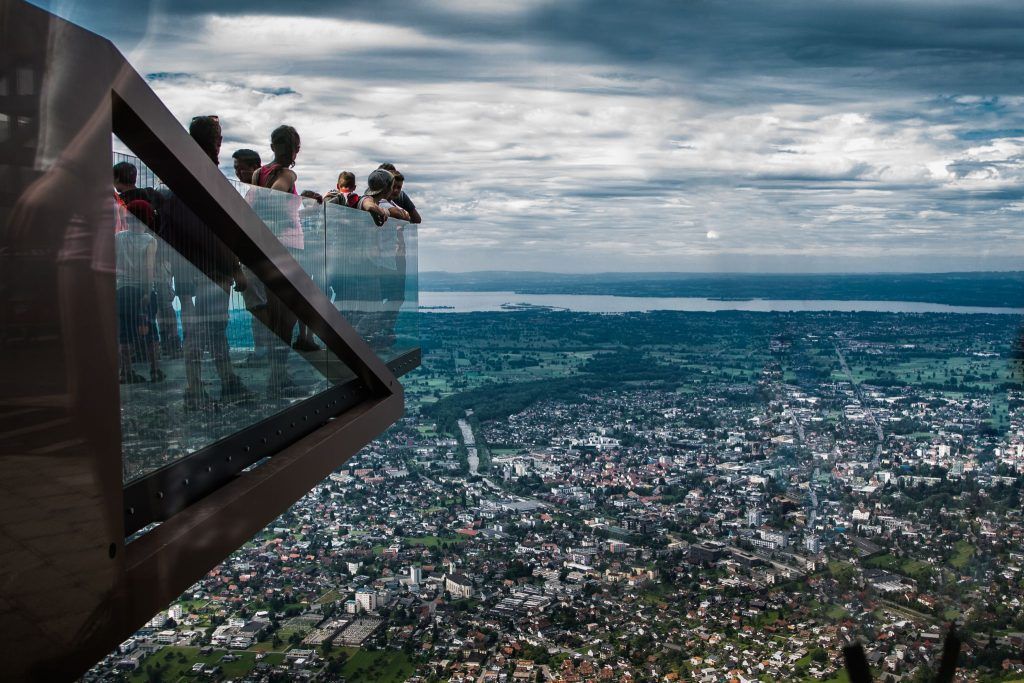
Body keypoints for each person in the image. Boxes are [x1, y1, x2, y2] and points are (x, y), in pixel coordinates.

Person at [160, 115, 251, 408]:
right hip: (210, 268)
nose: (220, 142)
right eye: (218, 136)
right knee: (210, 329)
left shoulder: (180, 174)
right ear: (214, 141)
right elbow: (216, 231)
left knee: (200, 329)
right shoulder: (204, 177)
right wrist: (235, 268)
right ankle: (209, 384)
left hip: (187, 268)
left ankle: (207, 383)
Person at [252, 125, 306, 393]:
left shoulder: (257, 173)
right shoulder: (287, 174)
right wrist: (283, 216)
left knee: (275, 314)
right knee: (288, 315)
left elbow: (253, 205)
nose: (291, 153)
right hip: (287, 248)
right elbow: (273, 198)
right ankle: (278, 377)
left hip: (266, 246)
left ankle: (276, 375)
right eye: (292, 147)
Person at [231, 148, 274, 367]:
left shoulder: (258, 193)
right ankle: (267, 349)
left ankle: (264, 350)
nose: (238, 173)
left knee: (257, 305)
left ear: (256, 167)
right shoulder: (258, 192)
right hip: (261, 255)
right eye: (236, 169)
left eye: (242, 168)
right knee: (260, 304)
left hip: (256, 256)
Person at [117, 199, 162, 383]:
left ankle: (126, 371)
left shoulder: (118, 238)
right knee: (151, 331)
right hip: (141, 290)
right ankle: (155, 370)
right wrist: (147, 292)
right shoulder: (150, 241)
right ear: (148, 218)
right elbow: (148, 269)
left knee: (125, 332)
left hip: (122, 291)